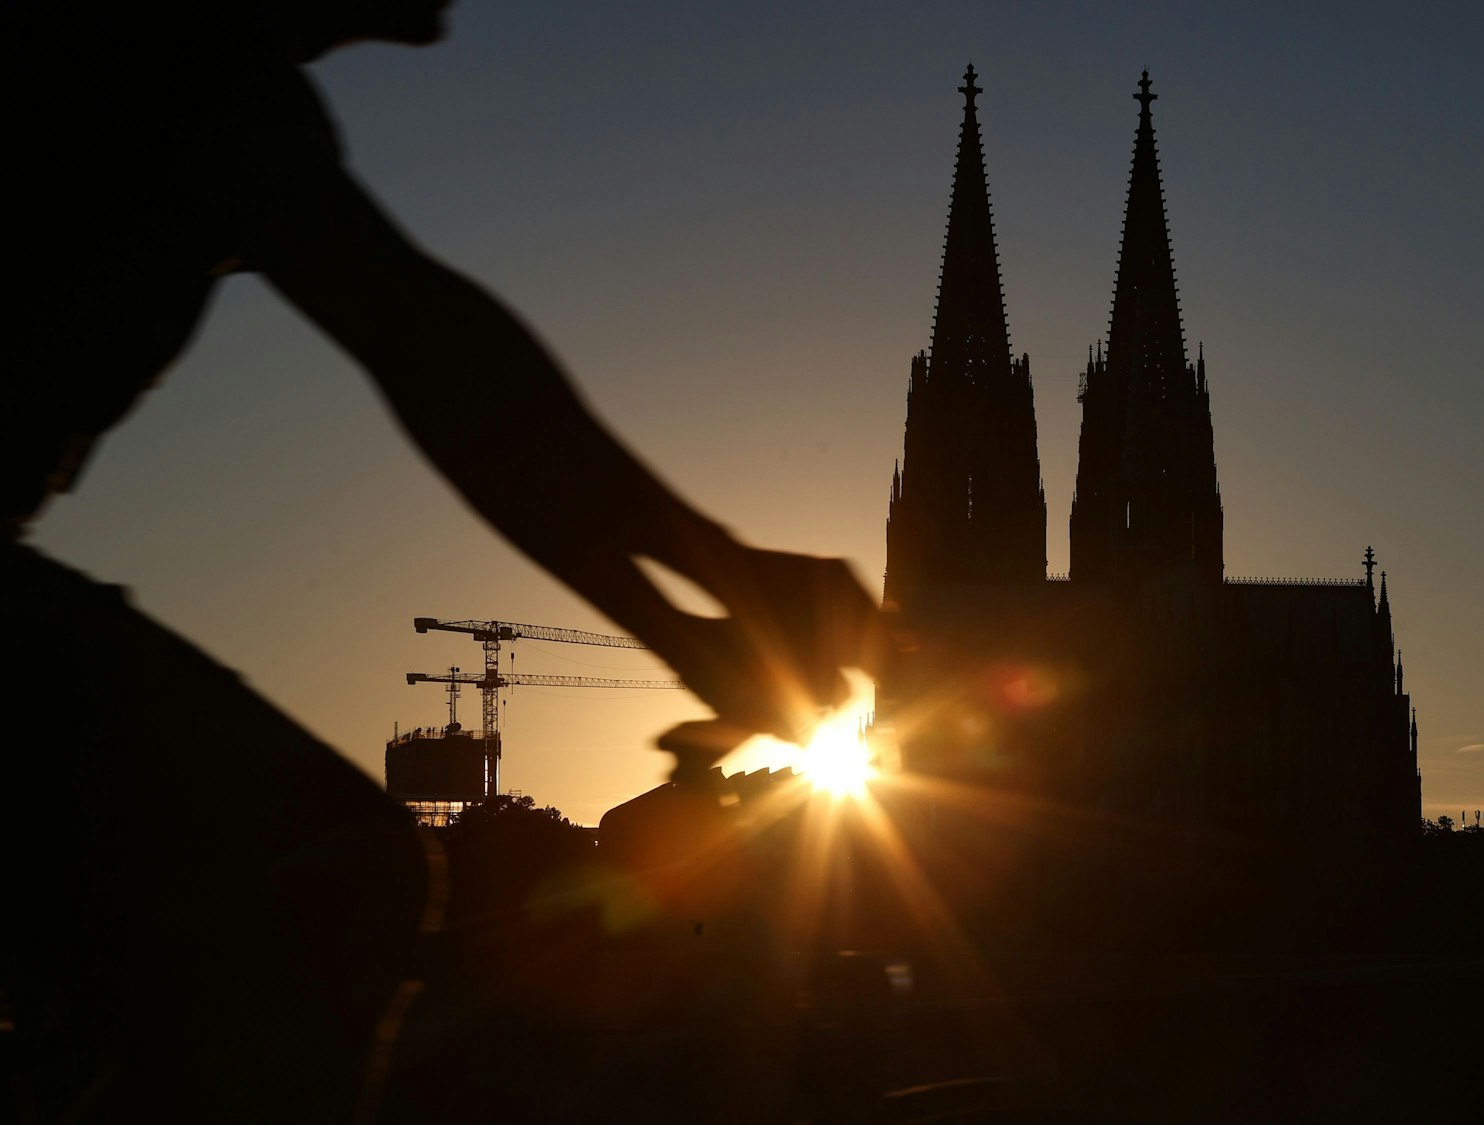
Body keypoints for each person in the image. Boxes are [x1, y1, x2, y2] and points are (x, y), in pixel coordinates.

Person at [4, 2, 881, 1120]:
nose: (450, 19)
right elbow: (441, 362)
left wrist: (699, 608)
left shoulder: (190, 84)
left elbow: (453, 384)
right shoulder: (174, 76)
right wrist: (711, 592)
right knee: (317, 886)